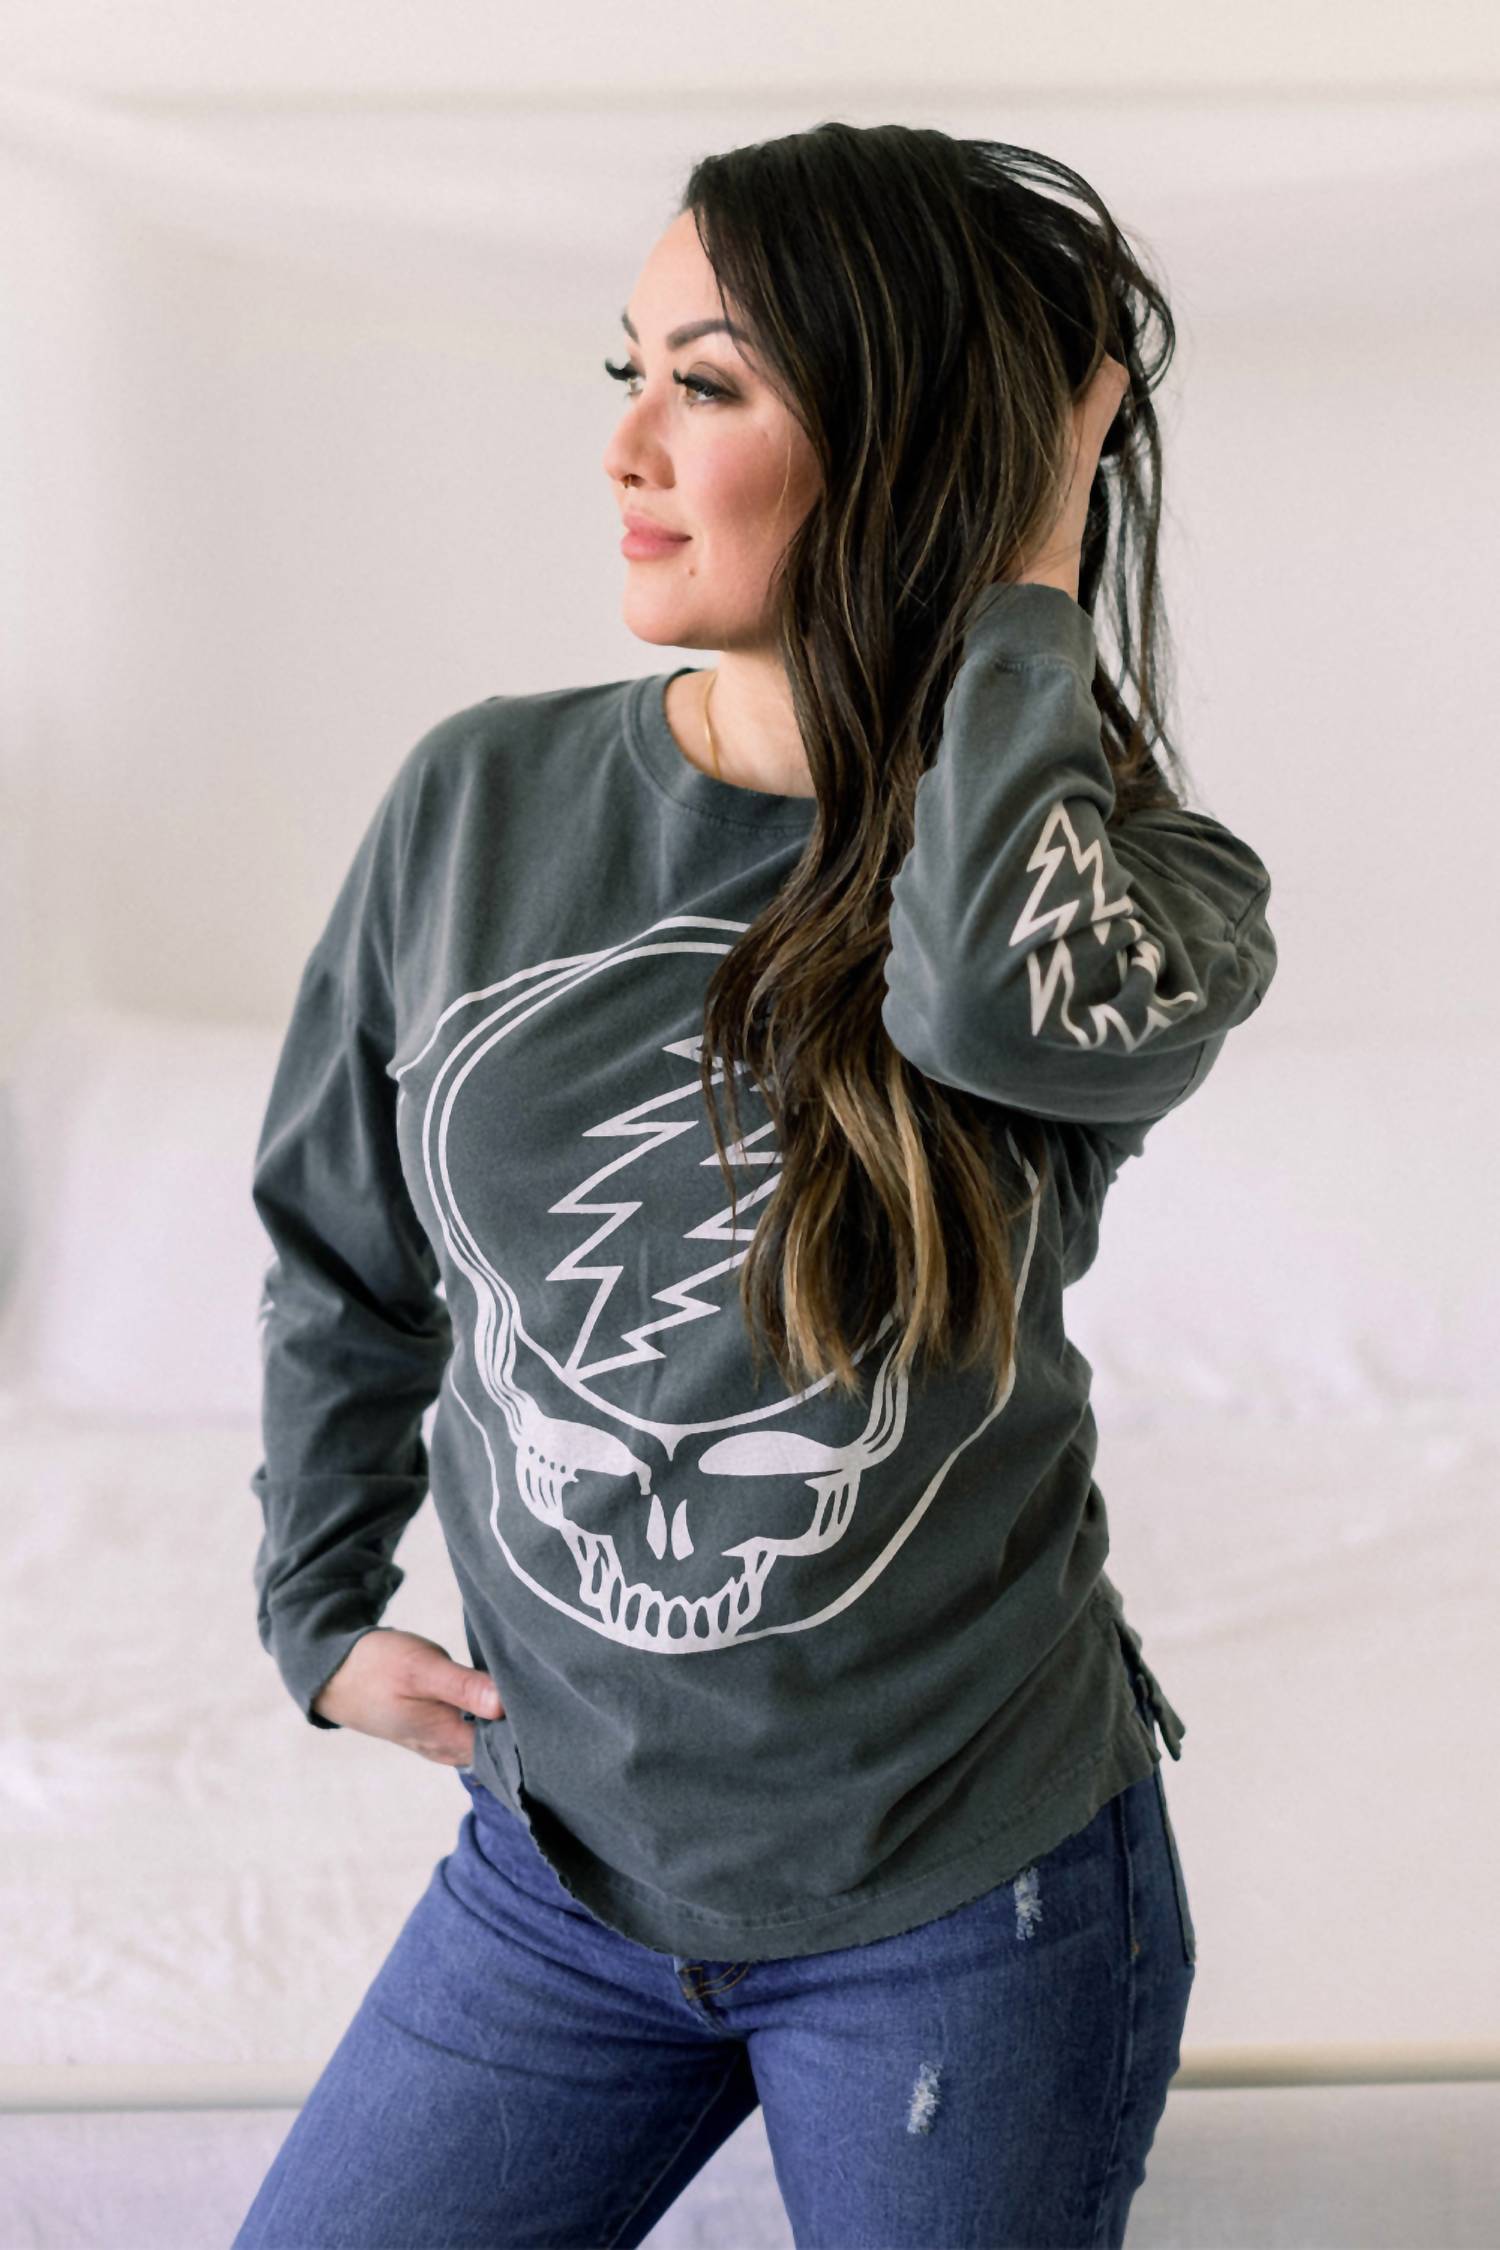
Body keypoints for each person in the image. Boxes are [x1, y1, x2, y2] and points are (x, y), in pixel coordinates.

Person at [234, 121, 1275, 2249]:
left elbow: (982, 999)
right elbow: (345, 1238)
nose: (627, 445)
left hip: (962, 1904)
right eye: (627, 371)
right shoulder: (480, 800)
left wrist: (1024, 572)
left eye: (706, 385)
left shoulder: (1151, 899)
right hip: (556, 1876)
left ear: (907, 451)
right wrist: (316, 1599)